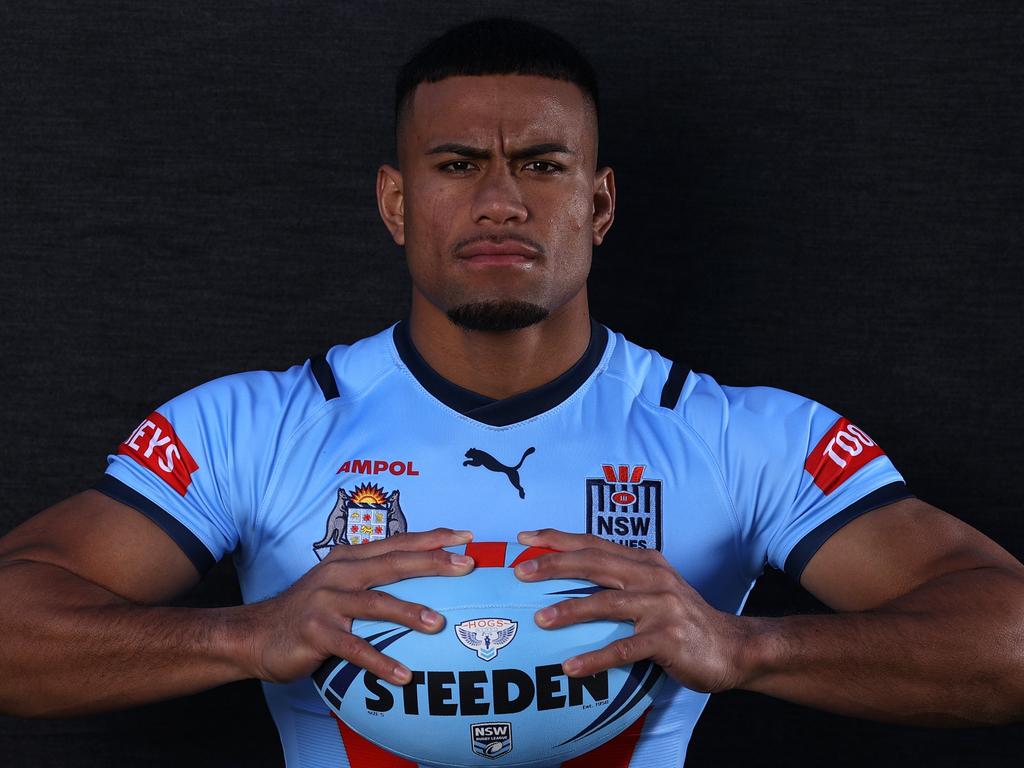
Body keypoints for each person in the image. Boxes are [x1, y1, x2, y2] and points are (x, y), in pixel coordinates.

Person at [0, 16, 1021, 768]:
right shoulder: (251, 427)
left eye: (540, 164)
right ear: (396, 203)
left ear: (599, 201)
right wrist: (242, 634)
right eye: (455, 165)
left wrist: (745, 644)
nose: (498, 201)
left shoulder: (735, 436)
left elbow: (1007, 640)